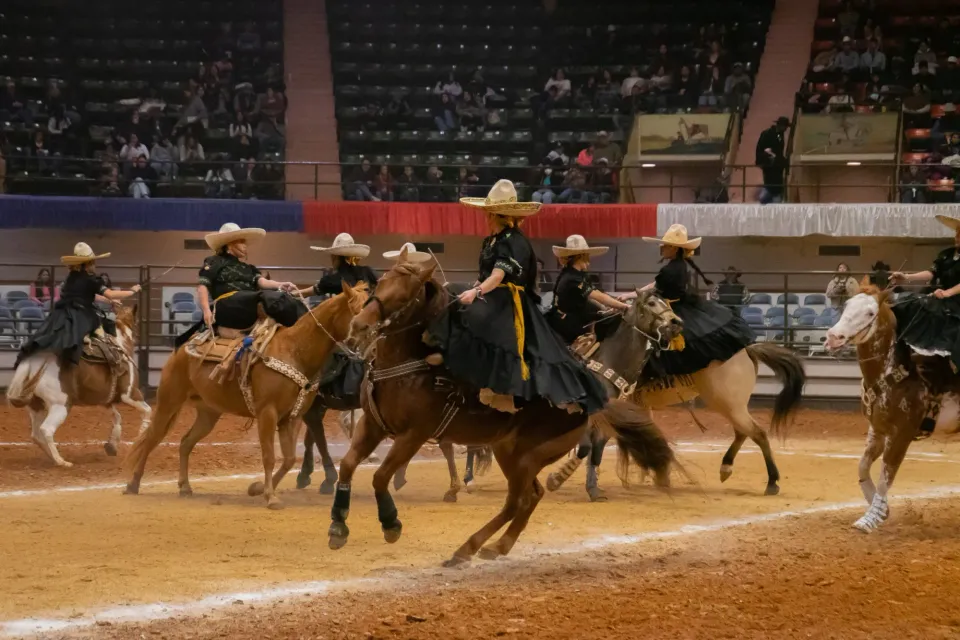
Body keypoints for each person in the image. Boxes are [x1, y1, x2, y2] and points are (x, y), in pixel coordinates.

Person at [424, 180, 608, 414]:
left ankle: (456, 360)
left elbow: (498, 275)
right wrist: (472, 287)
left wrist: (476, 292)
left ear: (494, 215)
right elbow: (485, 276)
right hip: (492, 293)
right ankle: (442, 352)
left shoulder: (514, 240)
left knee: (473, 314)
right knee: (451, 290)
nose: (485, 217)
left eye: (487, 213)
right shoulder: (491, 240)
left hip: (507, 300)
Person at [628, 225, 753, 379]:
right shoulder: (679, 265)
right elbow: (656, 285)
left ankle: (658, 376)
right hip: (682, 304)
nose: (662, 248)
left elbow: (655, 288)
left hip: (674, 307)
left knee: (657, 334)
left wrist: (631, 295)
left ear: (674, 248)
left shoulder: (670, 269)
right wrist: (633, 293)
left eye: (665, 246)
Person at [890, 214, 960, 438]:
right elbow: (932, 273)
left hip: (956, 302)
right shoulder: (946, 254)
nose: (957, 236)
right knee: (909, 304)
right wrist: (906, 278)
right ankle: (898, 353)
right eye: (957, 233)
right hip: (940, 299)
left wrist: (947, 292)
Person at [175, 223, 300, 348]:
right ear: (229, 244)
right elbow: (203, 285)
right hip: (226, 305)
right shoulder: (214, 261)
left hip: (248, 302)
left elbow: (262, 282)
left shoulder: (248, 268)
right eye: (241, 242)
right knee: (268, 296)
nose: (245, 246)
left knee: (286, 298)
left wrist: (280, 284)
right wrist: (206, 310)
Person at [17, 243, 140, 367]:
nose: (95, 266)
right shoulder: (91, 280)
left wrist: (108, 301)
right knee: (105, 330)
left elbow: (86, 295)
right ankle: (110, 362)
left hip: (62, 314)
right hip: (81, 315)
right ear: (88, 264)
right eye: (93, 263)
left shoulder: (70, 279)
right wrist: (132, 290)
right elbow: (111, 294)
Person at [546, 235, 629, 345]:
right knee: (610, 320)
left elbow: (596, 292)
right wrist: (624, 306)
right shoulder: (572, 278)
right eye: (586, 256)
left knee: (608, 316)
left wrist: (610, 306)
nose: (589, 260)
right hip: (566, 322)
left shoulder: (577, 274)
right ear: (579, 257)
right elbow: (598, 297)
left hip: (573, 316)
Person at [302, 233, 378, 298]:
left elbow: (310, 291)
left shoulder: (331, 280)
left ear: (335, 257)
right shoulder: (368, 272)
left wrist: (295, 293)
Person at [756, 116, 789, 204]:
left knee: (773, 186)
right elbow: (762, 149)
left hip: (776, 165)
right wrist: (769, 156)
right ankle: (766, 199)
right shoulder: (768, 134)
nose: (786, 129)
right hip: (770, 164)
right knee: (771, 186)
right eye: (785, 126)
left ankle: (767, 198)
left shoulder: (779, 135)